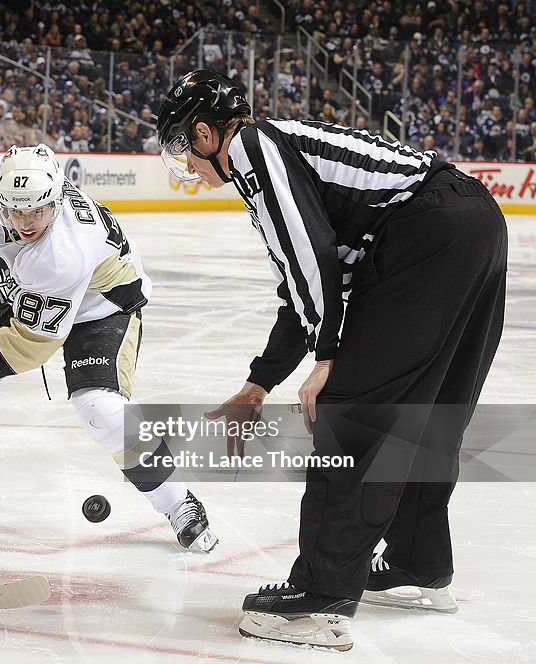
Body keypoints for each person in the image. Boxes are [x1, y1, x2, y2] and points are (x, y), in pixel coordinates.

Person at [157, 70, 507, 650]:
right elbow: (305, 288)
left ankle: (318, 598)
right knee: (427, 414)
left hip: (425, 234)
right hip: (471, 222)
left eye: (182, 153)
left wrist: (327, 358)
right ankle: (419, 564)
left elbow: (312, 260)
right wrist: (258, 384)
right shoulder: (281, 152)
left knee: (348, 413)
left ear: (204, 133)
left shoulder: (251, 145)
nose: (187, 171)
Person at [0, 144, 219, 553]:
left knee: (99, 407)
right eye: (16, 211)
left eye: (37, 211)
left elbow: (33, 343)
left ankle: (178, 503)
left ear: (56, 200)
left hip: (102, 303)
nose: (26, 222)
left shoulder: (61, 255)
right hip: (37, 296)